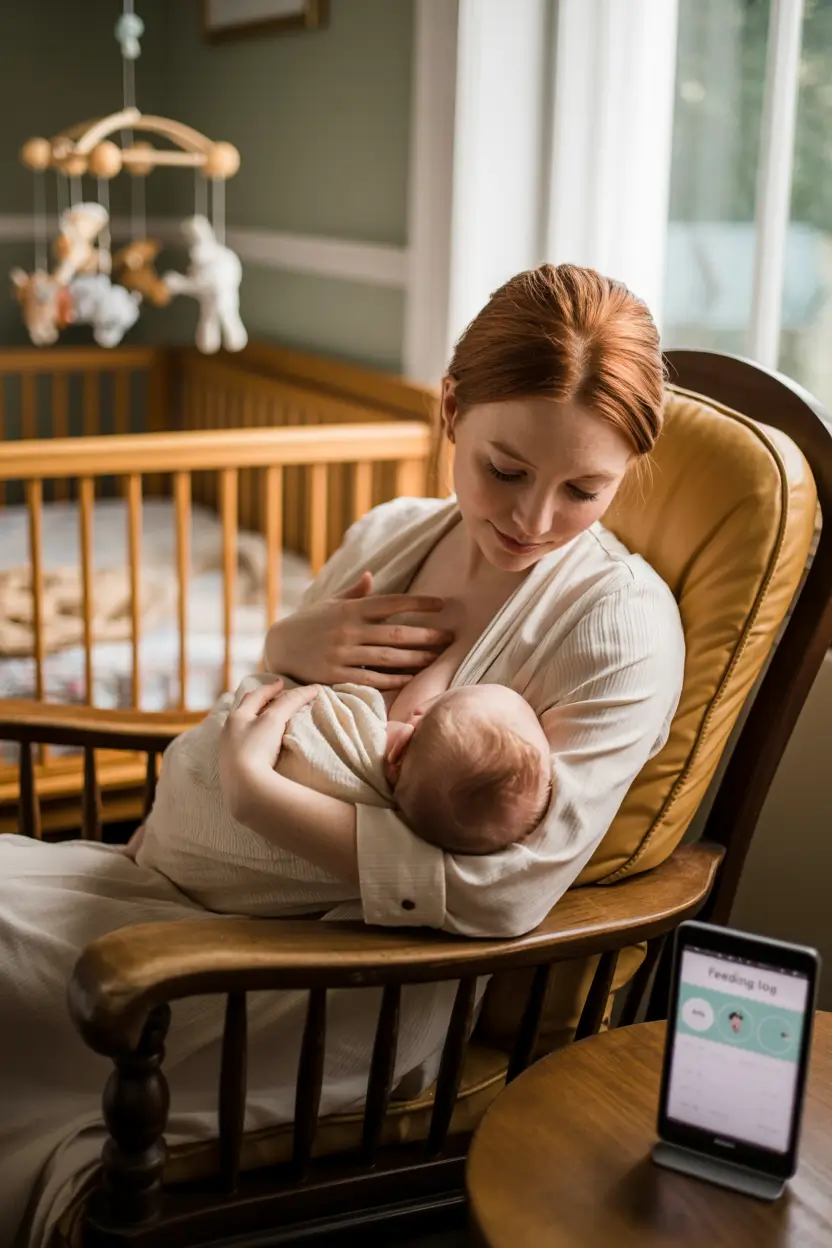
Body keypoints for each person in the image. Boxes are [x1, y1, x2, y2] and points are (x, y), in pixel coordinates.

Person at [0, 263, 685, 1245]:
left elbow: (502, 894)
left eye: (585, 489)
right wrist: (283, 649)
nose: (531, 522)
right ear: (451, 409)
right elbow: (272, 708)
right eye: (504, 469)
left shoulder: (616, 632)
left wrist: (251, 794)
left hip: (325, 985)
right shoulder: (392, 534)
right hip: (186, 899)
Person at [130, 675, 553, 914]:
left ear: (401, 748)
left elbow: (299, 700)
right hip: (205, 889)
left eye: (435, 707)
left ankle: (152, 837)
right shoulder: (419, 821)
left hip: (198, 789)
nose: (419, 709)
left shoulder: (359, 736)